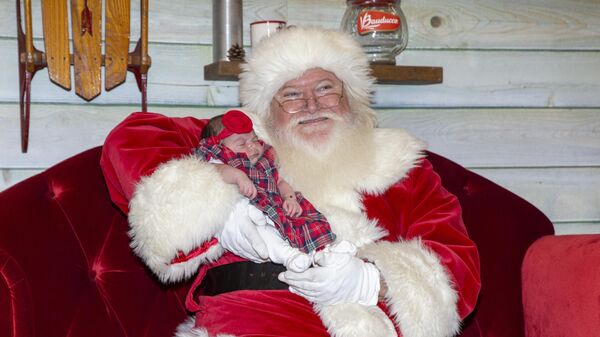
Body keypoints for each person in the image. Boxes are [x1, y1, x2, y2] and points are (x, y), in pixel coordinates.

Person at [100, 26, 481, 337]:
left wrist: (370, 281)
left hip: (362, 323)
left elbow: (456, 265)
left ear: (352, 99)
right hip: (249, 319)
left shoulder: (400, 166)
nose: (312, 106)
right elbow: (130, 139)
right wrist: (222, 196)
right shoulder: (243, 145)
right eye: (292, 96)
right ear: (265, 114)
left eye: (326, 89)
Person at [196, 109, 337, 271]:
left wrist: (289, 198)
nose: (252, 146)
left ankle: (323, 253)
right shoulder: (220, 160)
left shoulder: (264, 160)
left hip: (277, 208)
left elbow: (280, 181)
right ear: (218, 146)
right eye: (242, 144)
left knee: (309, 223)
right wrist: (238, 177)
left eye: (254, 139)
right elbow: (216, 172)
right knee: (265, 234)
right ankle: (288, 256)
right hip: (254, 213)